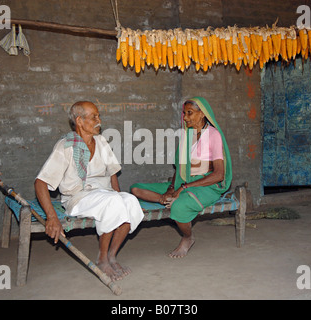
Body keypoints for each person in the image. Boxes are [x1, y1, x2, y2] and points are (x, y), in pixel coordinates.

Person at [35, 101, 144, 281]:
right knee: (115, 202)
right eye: (94, 117)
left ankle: (111, 256)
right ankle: (102, 259)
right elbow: (40, 182)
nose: (99, 120)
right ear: (79, 120)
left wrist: (119, 195)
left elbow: (112, 173)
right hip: (78, 198)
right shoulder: (65, 146)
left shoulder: (100, 141)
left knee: (130, 202)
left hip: (105, 195)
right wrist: (52, 217)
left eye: (98, 116)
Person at [131, 97, 232, 258]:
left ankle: (187, 237)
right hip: (183, 182)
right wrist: (171, 189)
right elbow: (179, 169)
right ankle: (165, 200)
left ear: (202, 114)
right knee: (136, 188)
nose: (185, 117)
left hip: (206, 185)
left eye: (189, 113)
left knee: (179, 207)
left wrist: (183, 188)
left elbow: (219, 175)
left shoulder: (213, 135)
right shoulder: (188, 135)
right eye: (184, 113)